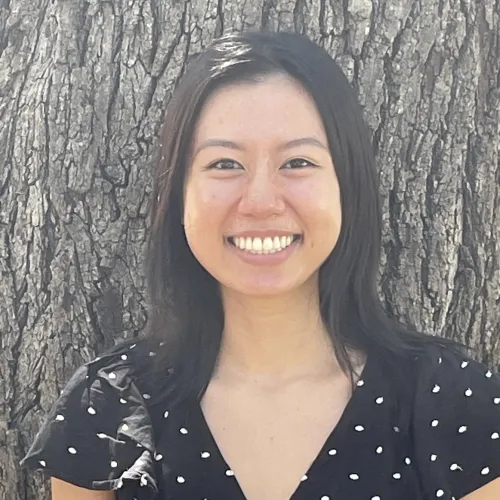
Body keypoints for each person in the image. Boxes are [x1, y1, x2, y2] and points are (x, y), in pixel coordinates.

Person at [20, 30, 500, 500]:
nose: (261, 201)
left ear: (347, 187)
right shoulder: (107, 405)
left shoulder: (453, 399)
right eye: (225, 164)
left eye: (297, 163)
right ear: (179, 193)